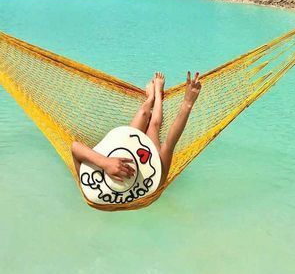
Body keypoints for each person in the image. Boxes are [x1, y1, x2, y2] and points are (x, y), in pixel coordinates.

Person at [71, 71, 202, 187]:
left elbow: (75, 147)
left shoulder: (90, 188)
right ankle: (156, 95)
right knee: (153, 125)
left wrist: (105, 163)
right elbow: (169, 144)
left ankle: (151, 99)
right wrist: (187, 103)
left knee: (146, 116)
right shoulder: (157, 180)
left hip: (120, 153)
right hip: (143, 158)